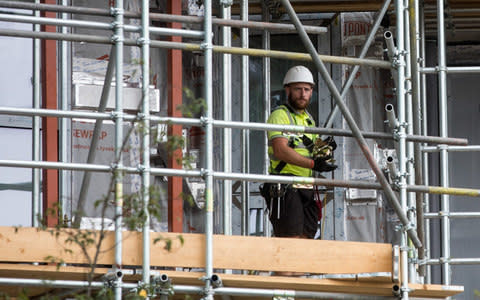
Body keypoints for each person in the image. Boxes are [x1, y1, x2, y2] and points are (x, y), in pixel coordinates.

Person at [263, 65, 337, 240]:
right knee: (290, 243)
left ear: (311, 92)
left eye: (307, 89)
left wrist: (325, 150)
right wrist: (313, 164)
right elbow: (281, 151)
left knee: (305, 244)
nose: (303, 94)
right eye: (298, 89)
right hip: (286, 187)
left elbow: (311, 150)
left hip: (307, 188)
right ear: (287, 90)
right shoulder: (279, 115)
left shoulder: (308, 119)